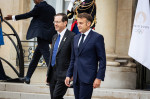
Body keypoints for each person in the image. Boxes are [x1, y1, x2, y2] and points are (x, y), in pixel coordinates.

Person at [4, 0, 56, 84]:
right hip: (47, 36)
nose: (33, 1)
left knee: (47, 57)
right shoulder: (52, 9)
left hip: (41, 35)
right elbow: (52, 23)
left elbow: (28, 15)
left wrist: (13, 17)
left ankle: (53, 78)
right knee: (35, 57)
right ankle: (28, 77)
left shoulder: (39, 7)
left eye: (34, 0)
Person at [65, 13, 106, 99]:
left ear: (88, 24)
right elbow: (73, 58)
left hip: (88, 77)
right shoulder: (75, 38)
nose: (78, 25)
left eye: (81, 23)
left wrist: (99, 78)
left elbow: (102, 60)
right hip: (76, 78)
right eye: (77, 23)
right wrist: (68, 75)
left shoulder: (97, 37)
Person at [47, 13, 75, 99]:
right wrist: (48, 73)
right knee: (53, 97)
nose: (55, 24)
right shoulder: (54, 37)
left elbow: (74, 57)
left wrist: (71, 74)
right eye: (55, 22)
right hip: (52, 73)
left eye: (58, 22)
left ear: (65, 22)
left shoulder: (72, 36)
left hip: (64, 73)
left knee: (56, 96)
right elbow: (52, 55)